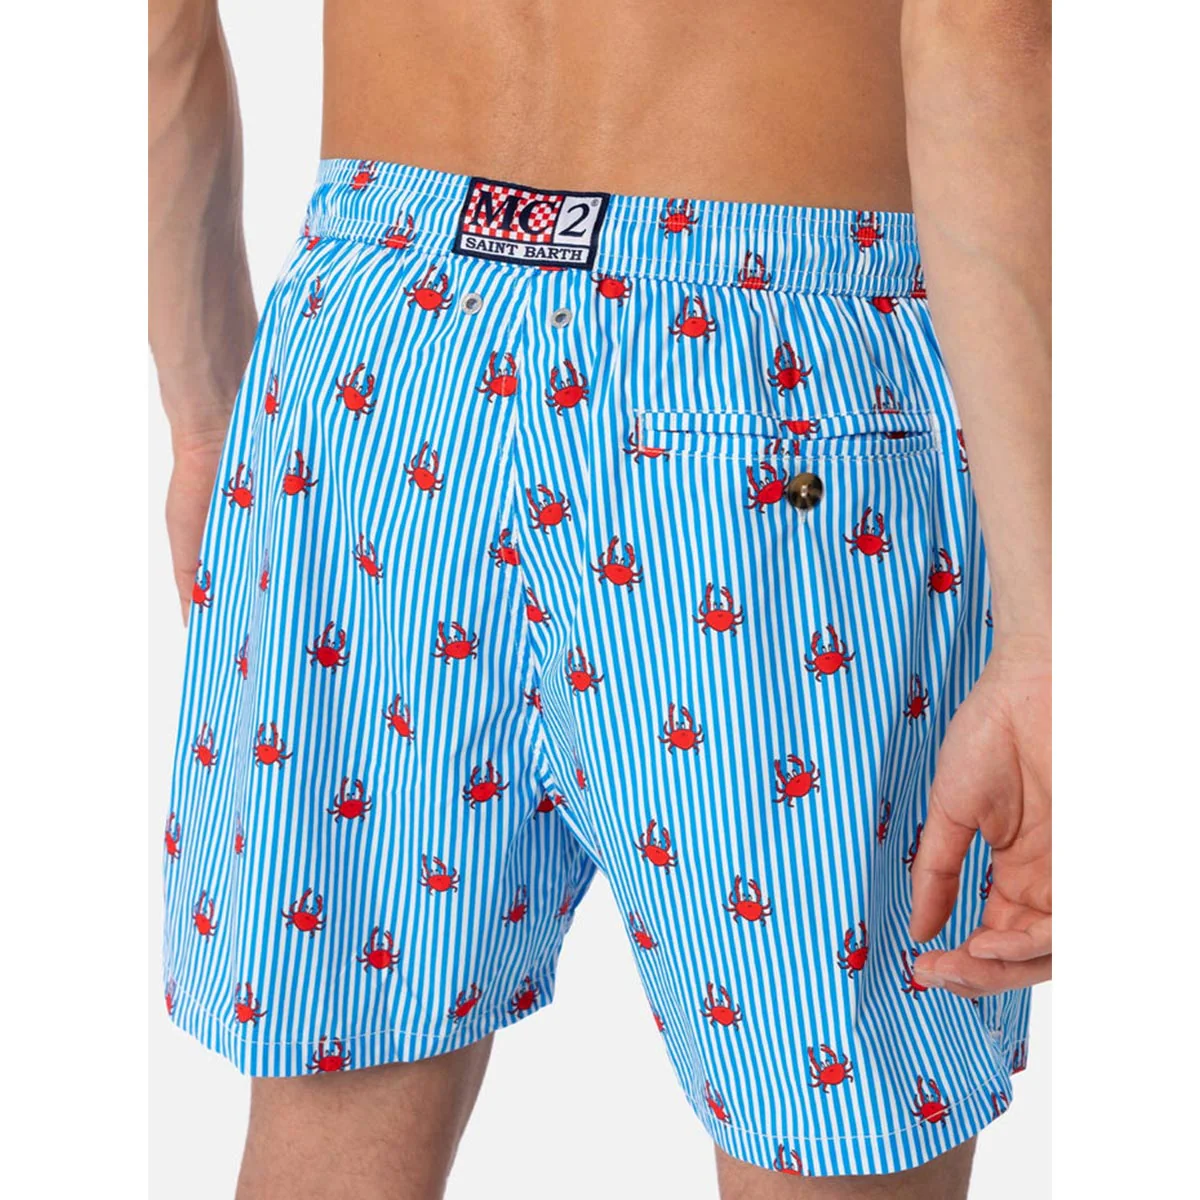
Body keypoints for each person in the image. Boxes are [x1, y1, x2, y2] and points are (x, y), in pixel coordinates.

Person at [149, 1, 1050, 1196]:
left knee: (326, 1135)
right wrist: (1045, 634)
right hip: (761, 376)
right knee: (837, 1133)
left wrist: (204, 416)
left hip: (369, 355)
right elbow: (981, 31)